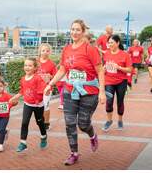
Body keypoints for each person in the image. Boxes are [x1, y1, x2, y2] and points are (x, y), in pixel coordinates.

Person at [44, 19, 106, 166]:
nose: (75, 32)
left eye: (78, 29)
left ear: (83, 32)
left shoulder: (89, 49)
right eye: (73, 29)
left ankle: (92, 135)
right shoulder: (66, 49)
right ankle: (74, 153)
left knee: (83, 124)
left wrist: (102, 92)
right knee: (69, 123)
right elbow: (62, 70)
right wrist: (50, 84)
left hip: (89, 91)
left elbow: (100, 70)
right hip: (70, 91)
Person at [11, 58, 48, 152]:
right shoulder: (23, 79)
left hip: (38, 105)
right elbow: (22, 91)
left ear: (35, 68)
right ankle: (23, 143)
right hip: (27, 104)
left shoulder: (37, 78)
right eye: (25, 65)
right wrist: (14, 97)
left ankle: (43, 136)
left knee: (40, 122)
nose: (27, 67)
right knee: (24, 123)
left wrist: (38, 99)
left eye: (30, 65)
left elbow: (43, 90)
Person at [102, 35, 132, 131]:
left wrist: (119, 68)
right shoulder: (106, 54)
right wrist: (103, 69)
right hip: (109, 81)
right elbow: (104, 66)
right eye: (109, 43)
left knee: (120, 102)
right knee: (109, 101)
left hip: (121, 82)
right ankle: (109, 120)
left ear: (118, 43)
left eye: (112, 42)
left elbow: (130, 69)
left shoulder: (125, 55)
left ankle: (120, 120)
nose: (110, 44)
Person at [37, 43, 57, 130]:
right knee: (38, 106)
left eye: (47, 51)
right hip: (36, 89)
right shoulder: (35, 62)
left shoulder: (51, 64)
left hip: (47, 89)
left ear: (50, 52)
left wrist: (50, 77)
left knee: (46, 106)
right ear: (40, 51)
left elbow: (55, 77)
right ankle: (40, 121)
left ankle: (46, 123)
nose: (45, 52)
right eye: (43, 50)